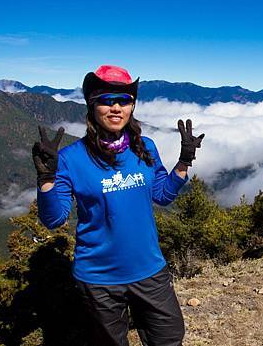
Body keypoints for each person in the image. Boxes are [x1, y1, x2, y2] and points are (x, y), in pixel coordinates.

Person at [31, 65, 204, 346]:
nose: (115, 107)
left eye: (124, 100)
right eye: (106, 100)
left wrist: (183, 163)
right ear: (91, 106)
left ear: (132, 106)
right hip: (99, 279)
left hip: (149, 268)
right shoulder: (70, 158)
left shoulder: (146, 147)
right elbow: (54, 219)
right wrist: (47, 180)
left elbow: (162, 195)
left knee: (170, 337)